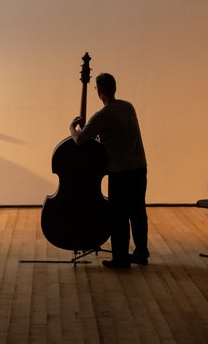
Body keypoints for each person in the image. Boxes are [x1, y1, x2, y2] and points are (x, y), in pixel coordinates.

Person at [70, 73, 149, 269]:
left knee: (119, 215)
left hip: (120, 171)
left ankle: (121, 258)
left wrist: (72, 126)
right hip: (139, 167)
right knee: (138, 211)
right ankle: (141, 253)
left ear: (100, 92)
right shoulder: (128, 107)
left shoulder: (102, 115)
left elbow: (80, 140)